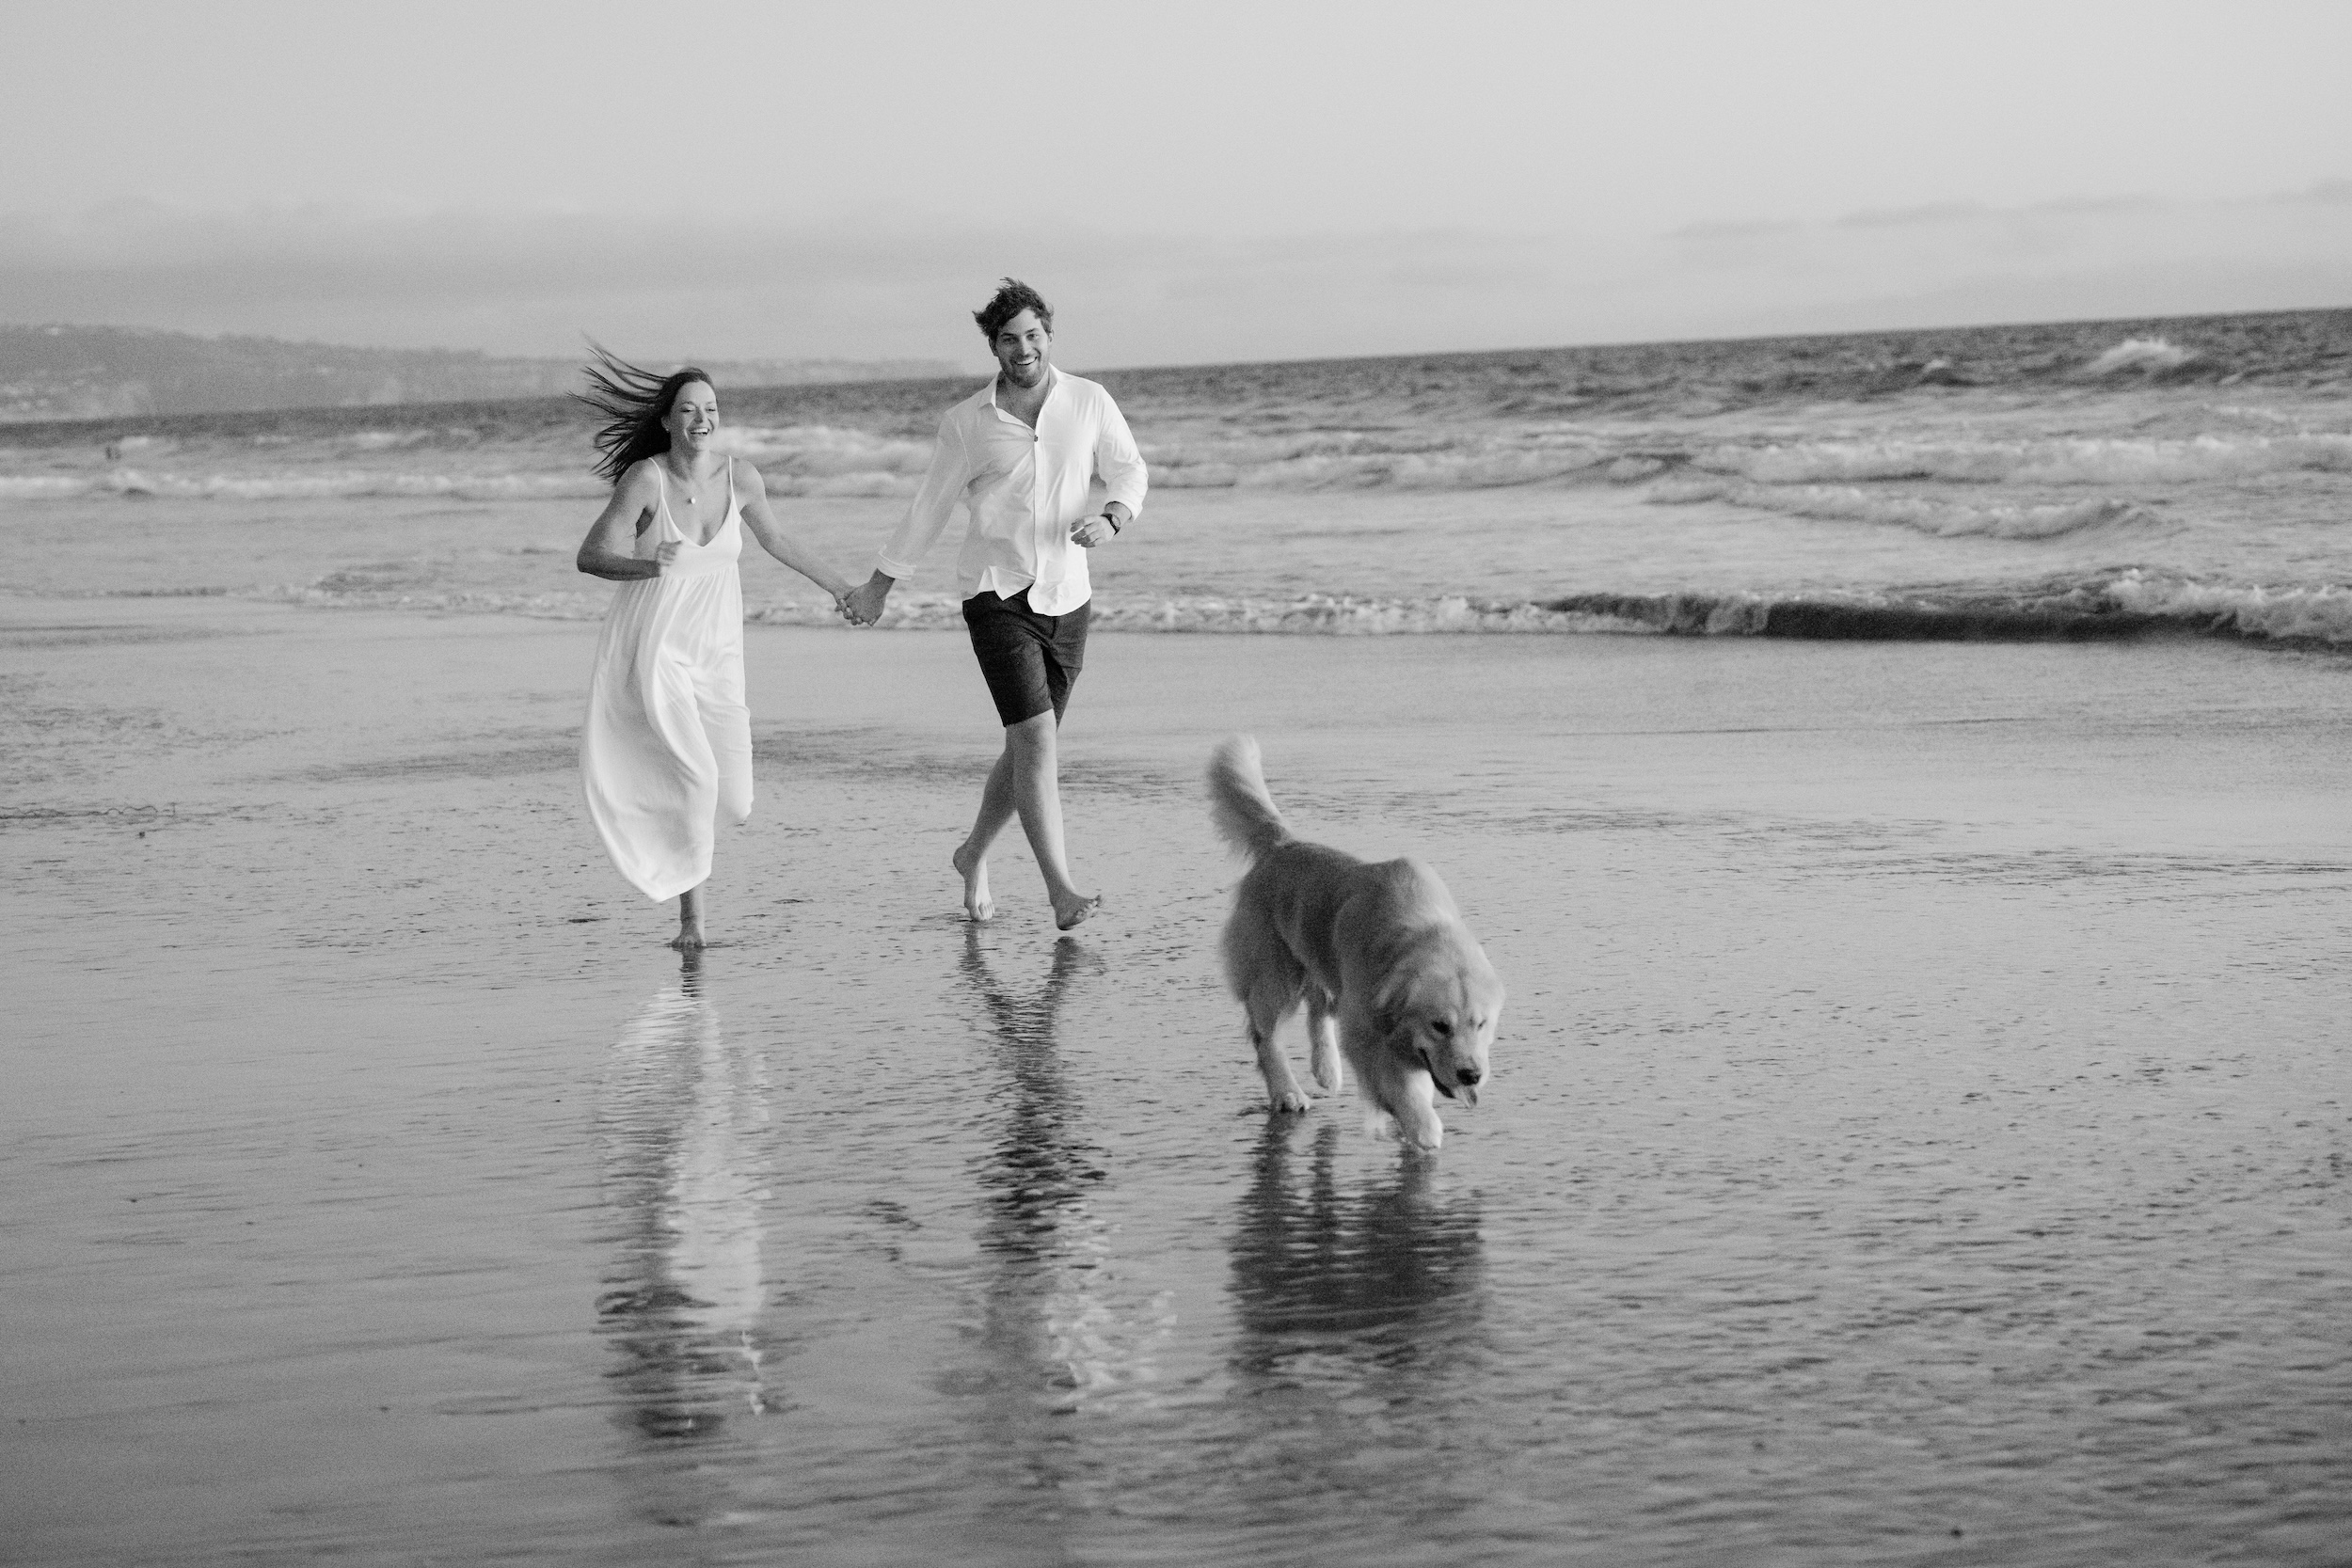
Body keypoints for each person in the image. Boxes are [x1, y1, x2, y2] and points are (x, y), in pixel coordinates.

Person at [844, 279, 1147, 930]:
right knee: (1036, 739)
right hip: (994, 592)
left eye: (1033, 335)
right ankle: (1061, 890)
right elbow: (927, 509)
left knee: (1025, 751)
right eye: (1009, 339)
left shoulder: (1089, 401)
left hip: (1069, 596)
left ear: (1048, 335)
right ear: (994, 346)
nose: (1023, 349)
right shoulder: (965, 423)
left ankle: (971, 852)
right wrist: (879, 585)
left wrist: (1114, 518)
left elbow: (1130, 470)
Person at [575, 350, 859, 950]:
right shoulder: (645, 479)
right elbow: (591, 557)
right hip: (658, 650)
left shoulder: (742, 477)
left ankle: (680, 867)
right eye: (688, 409)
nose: (702, 418)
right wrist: (646, 563)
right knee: (697, 782)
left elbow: (778, 541)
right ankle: (692, 925)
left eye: (710, 408)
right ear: (668, 422)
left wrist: (841, 588)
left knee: (733, 800)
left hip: (719, 653)